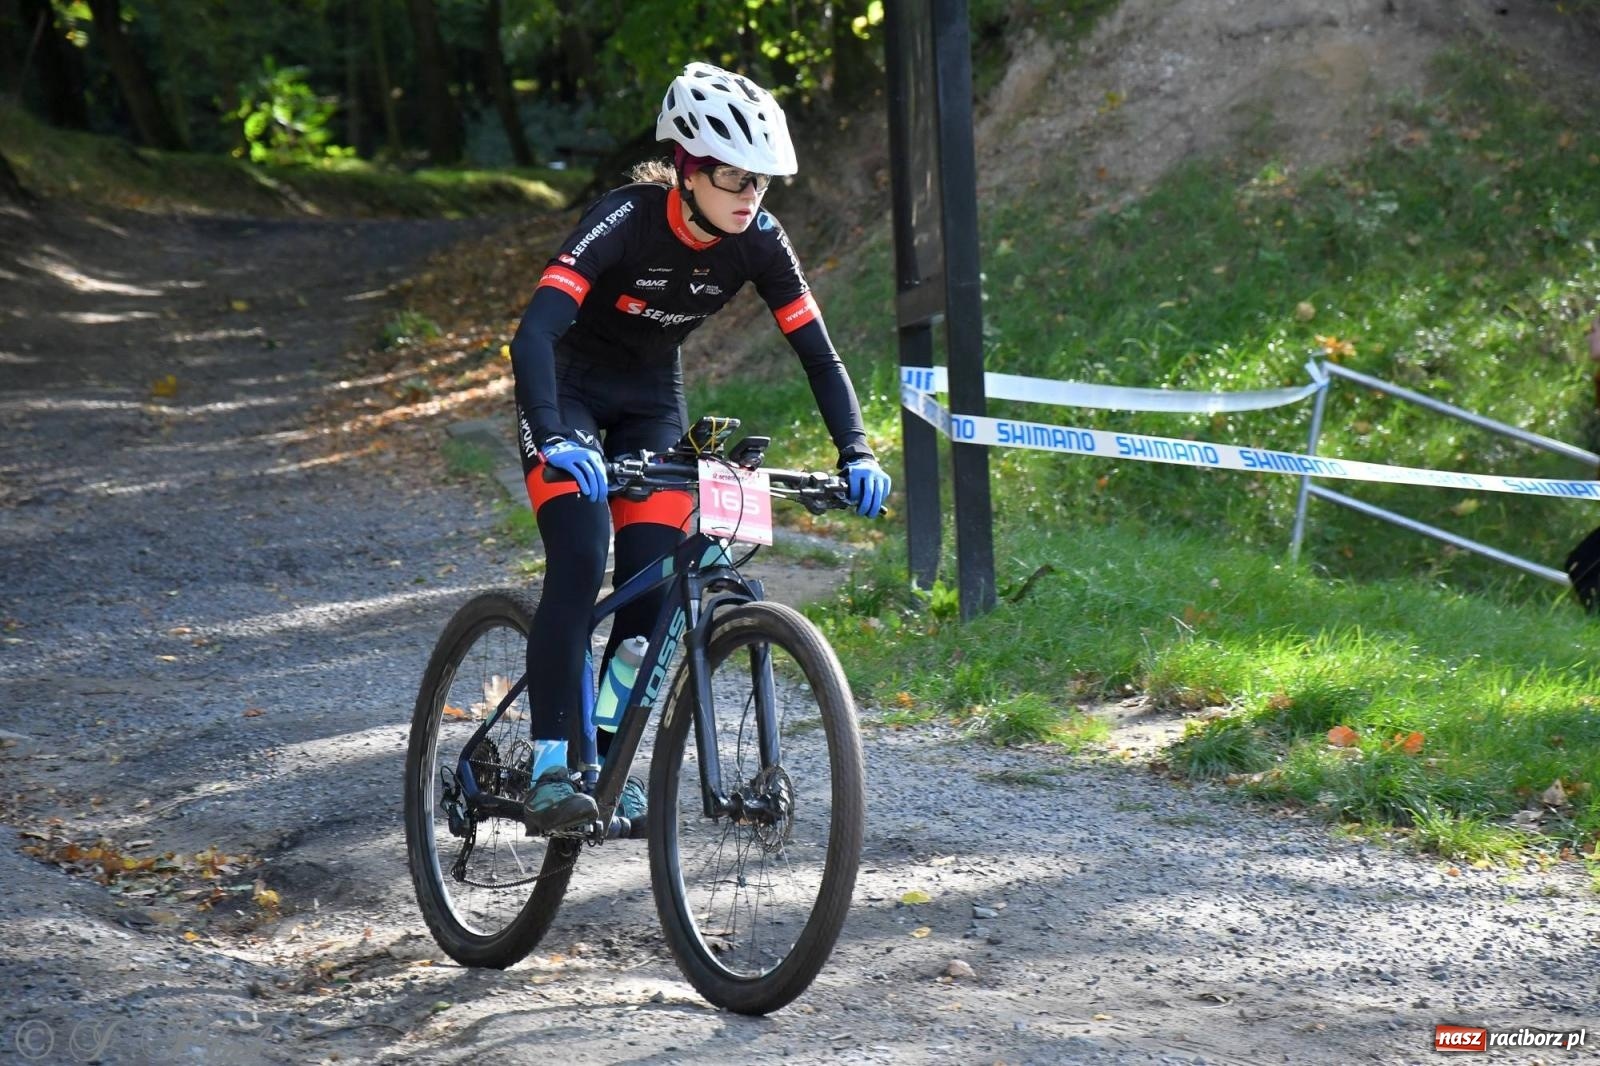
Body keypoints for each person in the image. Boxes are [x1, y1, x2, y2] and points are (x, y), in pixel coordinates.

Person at [507, 62, 892, 834]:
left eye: (762, 183)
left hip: (651, 399)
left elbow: (819, 355)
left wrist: (857, 450)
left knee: (650, 599)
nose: (749, 196)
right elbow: (535, 332)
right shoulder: (626, 218)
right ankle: (550, 768)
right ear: (686, 168)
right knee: (581, 559)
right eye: (732, 177)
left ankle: (603, 768)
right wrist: (552, 434)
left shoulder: (760, 243)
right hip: (570, 390)